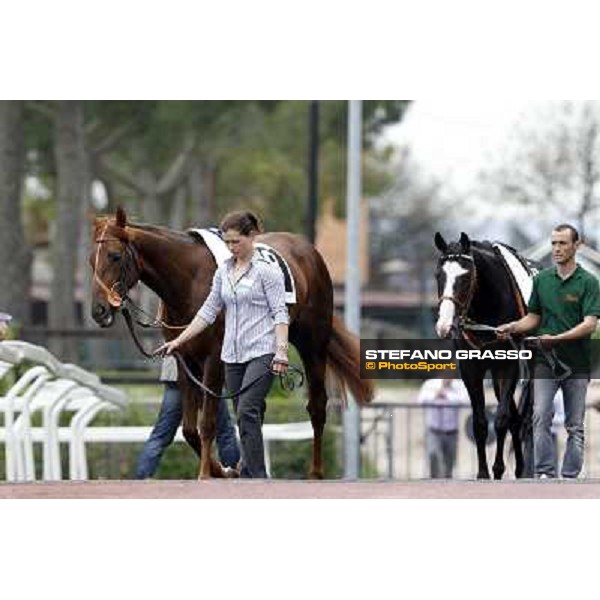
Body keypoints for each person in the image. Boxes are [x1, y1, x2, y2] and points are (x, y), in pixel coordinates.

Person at [154, 210, 289, 478]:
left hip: (263, 351)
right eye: (227, 242)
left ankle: (257, 478)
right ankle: (249, 471)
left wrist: (282, 352)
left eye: (236, 241)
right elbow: (207, 311)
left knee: (248, 410)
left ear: (252, 237)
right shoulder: (223, 272)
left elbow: (280, 312)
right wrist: (178, 341)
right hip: (232, 355)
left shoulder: (268, 271)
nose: (231, 247)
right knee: (242, 415)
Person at [498, 224, 600, 479]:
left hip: (576, 364)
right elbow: (533, 318)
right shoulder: (541, 280)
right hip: (544, 361)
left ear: (576, 246)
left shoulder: (589, 282)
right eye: (554, 243)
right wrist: (512, 327)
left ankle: (569, 476)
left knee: (575, 426)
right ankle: (545, 473)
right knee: (540, 416)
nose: (556, 248)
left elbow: (590, 324)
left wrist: (557, 339)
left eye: (563, 243)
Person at [135, 356, 241, 479]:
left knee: (160, 435)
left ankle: (141, 478)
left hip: (175, 373)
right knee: (224, 431)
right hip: (204, 374)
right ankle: (234, 477)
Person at [418, 377, 468, 478]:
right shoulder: (430, 383)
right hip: (434, 430)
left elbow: (466, 400)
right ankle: (434, 478)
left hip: (451, 431)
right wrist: (435, 396)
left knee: (449, 462)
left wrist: (447, 396)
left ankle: (446, 482)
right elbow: (421, 400)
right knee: (433, 454)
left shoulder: (460, 385)